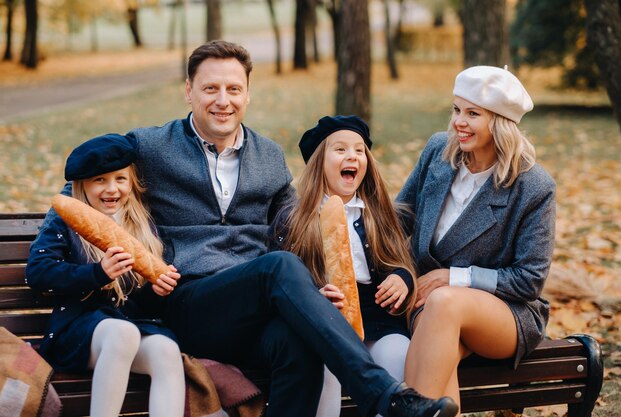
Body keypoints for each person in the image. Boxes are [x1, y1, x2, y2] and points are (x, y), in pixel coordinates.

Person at [39, 40, 458, 417]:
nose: (223, 101)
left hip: (255, 309)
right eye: (210, 89)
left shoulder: (269, 156)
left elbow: (297, 225)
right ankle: (382, 394)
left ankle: (380, 393)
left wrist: (323, 283)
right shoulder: (150, 146)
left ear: (247, 94)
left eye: (234, 89)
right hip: (189, 301)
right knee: (276, 267)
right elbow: (83, 188)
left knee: (299, 344)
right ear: (189, 91)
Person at [396, 65, 556, 414]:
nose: (458, 122)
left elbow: (529, 280)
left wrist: (452, 277)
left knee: (444, 301)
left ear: (499, 121)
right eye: (456, 110)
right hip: (426, 306)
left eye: (472, 113)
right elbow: (399, 218)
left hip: (506, 314)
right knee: (440, 358)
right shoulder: (439, 151)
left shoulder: (532, 186)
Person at [26, 134, 185, 417]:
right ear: (82, 185)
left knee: (166, 350)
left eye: (120, 179)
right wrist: (98, 273)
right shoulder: (66, 218)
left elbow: (142, 302)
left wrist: (156, 290)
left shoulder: (142, 223)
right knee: (121, 333)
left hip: (129, 324)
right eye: (100, 180)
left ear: (132, 182)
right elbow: (39, 273)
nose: (111, 189)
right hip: (77, 330)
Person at [270, 115, 418, 417]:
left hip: (378, 322)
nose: (352, 156)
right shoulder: (294, 220)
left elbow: (399, 262)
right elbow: (281, 281)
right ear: (318, 163)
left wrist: (403, 278)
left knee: (398, 355)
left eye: (359, 150)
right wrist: (314, 297)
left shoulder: (379, 214)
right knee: (323, 367)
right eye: (340, 150)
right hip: (326, 323)